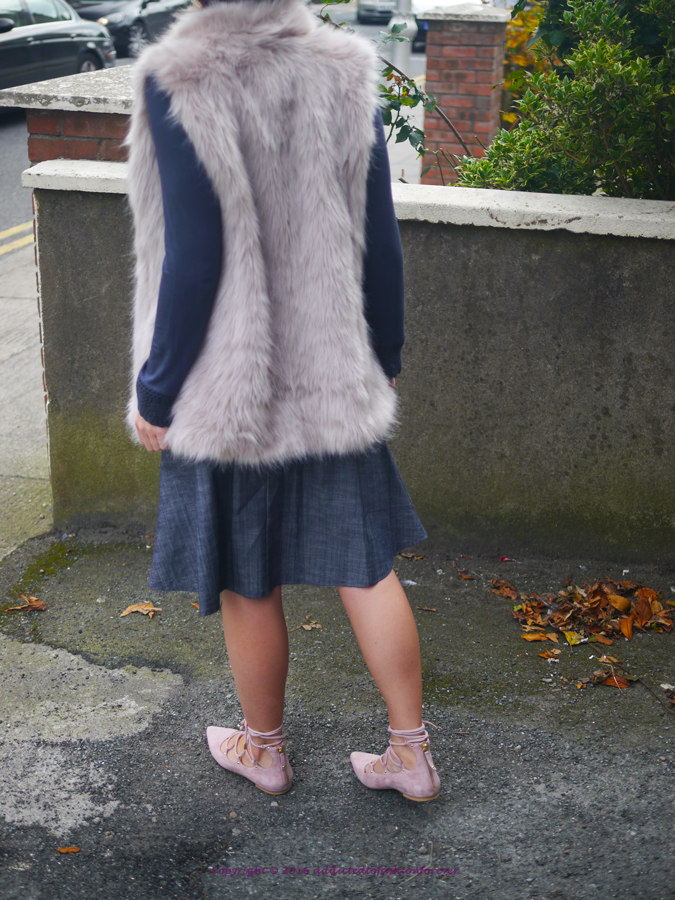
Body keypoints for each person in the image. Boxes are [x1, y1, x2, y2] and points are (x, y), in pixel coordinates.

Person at [127, 0, 440, 802]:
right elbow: (380, 239)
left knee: (245, 573)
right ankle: (410, 755)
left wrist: (156, 390)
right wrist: (385, 353)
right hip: (332, 372)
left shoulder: (181, 75)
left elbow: (193, 257)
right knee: (364, 564)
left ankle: (263, 749)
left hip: (226, 384)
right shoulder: (342, 70)